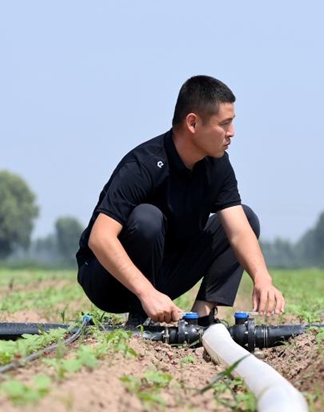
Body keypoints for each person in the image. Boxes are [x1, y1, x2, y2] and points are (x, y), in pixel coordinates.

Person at [76, 75, 286, 327]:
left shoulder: (218, 165)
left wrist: (262, 278)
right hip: (109, 281)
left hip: (163, 276)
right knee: (147, 218)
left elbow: (240, 231)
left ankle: (202, 315)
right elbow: (100, 238)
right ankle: (139, 316)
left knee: (246, 217)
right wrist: (146, 293)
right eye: (225, 123)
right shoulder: (143, 164)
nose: (232, 133)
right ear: (193, 123)